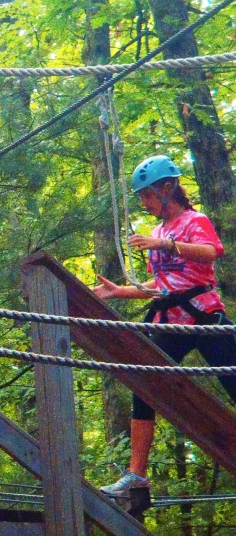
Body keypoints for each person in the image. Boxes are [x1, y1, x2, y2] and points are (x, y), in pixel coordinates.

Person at [94, 155, 236, 496]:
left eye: (147, 195)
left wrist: (165, 244)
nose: (143, 202)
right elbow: (163, 285)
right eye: (141, 196)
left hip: (204, 316)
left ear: (168, 188)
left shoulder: (192, 220)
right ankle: (136, 475)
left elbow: (210, 252)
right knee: (145, 386)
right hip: (170, 321)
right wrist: (120, 292)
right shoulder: (157, 231)